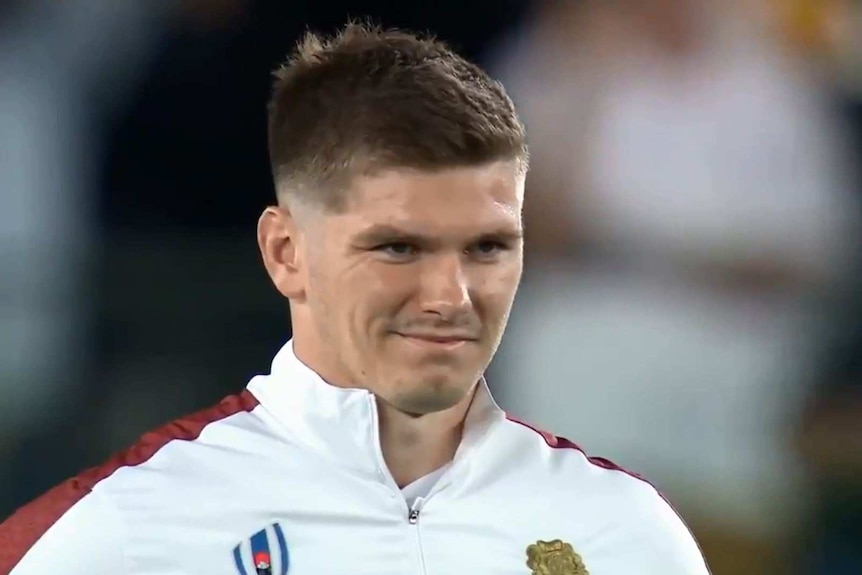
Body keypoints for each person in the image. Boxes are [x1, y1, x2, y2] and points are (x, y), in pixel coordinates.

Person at [0, 23, 710, 574]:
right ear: (286, 253)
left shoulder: (621, 530)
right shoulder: (130, 522)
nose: (451, 295)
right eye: (399, 247)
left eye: (488, 247)